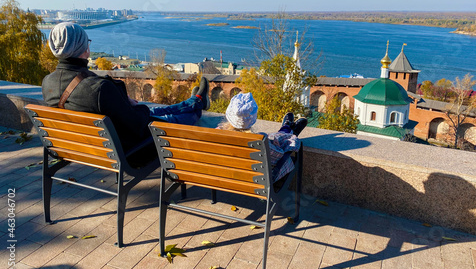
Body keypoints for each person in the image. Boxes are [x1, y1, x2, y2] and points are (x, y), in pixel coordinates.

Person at [41, 22, 210, 152]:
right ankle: (197, 107)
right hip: (131, 148)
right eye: (87, 43)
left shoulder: (48, 82)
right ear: (83, 49)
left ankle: (195, 101)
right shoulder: (100, 89)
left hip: (88, 147)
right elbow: (137, 124)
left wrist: (125, 101)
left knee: (154, 111)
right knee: (168, 119)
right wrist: (138, 106)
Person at [218, 92, 307, 182]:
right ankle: (289, 132)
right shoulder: (259, 143)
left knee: (268, 137)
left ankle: (286, 129)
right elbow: (279, 155)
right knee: (276, 140)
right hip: (254, 182)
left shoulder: (216, 135)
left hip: (224, 178)